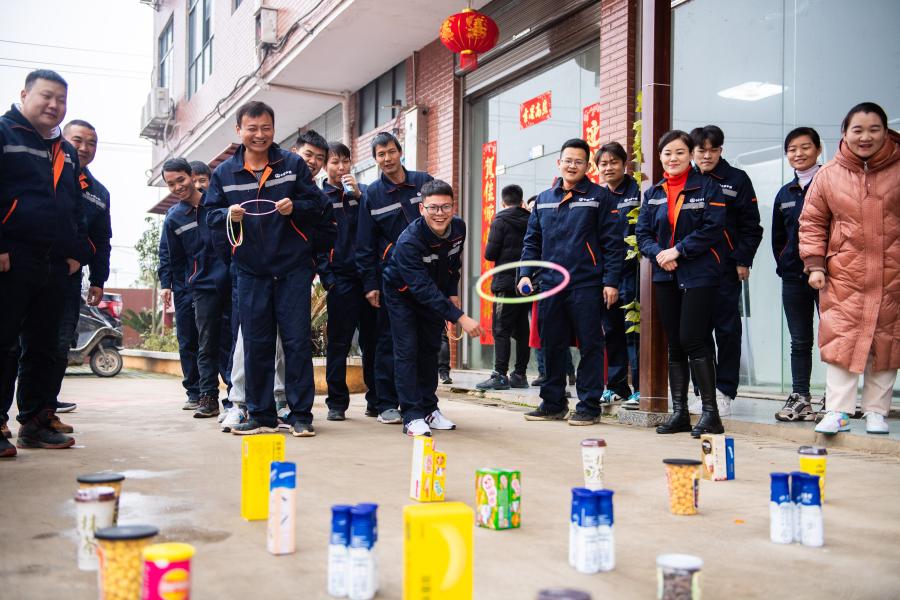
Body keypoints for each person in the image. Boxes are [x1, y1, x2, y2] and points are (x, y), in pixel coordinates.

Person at [206, 101, 333, 437]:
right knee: (257, 342)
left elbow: (318, 207)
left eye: (265, 128)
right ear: (239, 130)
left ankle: (301, 414)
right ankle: (261, 414)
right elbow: (210, 216)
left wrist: (296, 207)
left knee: (296, 342)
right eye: (252, 128)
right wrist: (227, 215)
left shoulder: (291, 164)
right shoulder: (224, 173)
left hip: (292, 268)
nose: (259, 134)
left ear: (274, 129)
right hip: (250, 270)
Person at [0, 69, 89, 456]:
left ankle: (35, 421)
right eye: (46, 97)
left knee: (43, 346)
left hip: (54, 265)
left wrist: (75, 253)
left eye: (61, 101)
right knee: (3, 344)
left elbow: (73, 206)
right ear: (25, 95)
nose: (54, 106)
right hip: (11, 258)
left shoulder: (64, 151)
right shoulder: (5, 134)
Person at [801, 102, 899, 436]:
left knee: (886, 344)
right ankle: (838, 410)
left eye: (874, 129)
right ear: (844, 133)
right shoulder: (828, 174)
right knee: (842, 341)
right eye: (857, 130)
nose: (866, 136)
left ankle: (876, 411)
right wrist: (814, 264)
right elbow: (812, 221)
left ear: (886, 132)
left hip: (892, 273)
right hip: (845, 273)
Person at [518, 138, 624, 426]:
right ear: (559, 163)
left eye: (579, 161)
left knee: (590, 344)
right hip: (550, 285)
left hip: (586, 284)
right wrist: (525, 273)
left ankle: (589, 405)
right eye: (568, 160)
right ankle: (552, 403)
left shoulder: (600, 198)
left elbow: (613, 244)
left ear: (587, 165)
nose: (572, 165)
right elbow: (532, 242)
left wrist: (611, 281)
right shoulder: (543, 199)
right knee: (551, 344)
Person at [635, 130, 726, 437]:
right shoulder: (654, 193)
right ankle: (680, 413)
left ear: (690, 155)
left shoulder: (708, 188)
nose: (673, 158)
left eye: (679, 153)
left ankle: (711, 413)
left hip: (699, 273)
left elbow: (713, 229)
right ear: (660, 157)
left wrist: (679, 250)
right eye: (667, 153)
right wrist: (660, 254)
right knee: (674, 343)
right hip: (665, 274)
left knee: (694, 338)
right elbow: (642, 235)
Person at [382, 179, 482, 436]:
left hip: (434, 293)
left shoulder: (459, 227)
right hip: (402, 294)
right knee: (407, 350)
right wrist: (460, 317)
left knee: (430, 349)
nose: (440, 214)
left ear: (453, 207)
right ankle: (412, 415)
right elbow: (422, 288)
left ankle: (429, 408)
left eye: (445, 207)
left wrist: (452, 292)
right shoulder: (409, 242)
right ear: (422, 209)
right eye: (433, 208)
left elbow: (452, 264)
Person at [356, 131, 433, 425]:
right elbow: (365, 243)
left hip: (427, 276)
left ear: (400, 151)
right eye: (380, 154)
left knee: (426, 342)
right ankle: (386, 402)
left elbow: (440, 219)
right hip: (393, 278)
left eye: (390, 151)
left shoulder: (424, 182)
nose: (387, 158)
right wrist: (370, 284)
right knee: (389, 342)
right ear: (375, 160)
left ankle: (425, 403)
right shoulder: (372, 194)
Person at [688, 125, 763, 417]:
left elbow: (751, 226)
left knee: (728, 330)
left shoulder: (736, 179)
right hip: (692, 269)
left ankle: (725, 391)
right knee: (697, 332)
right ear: (693, 152)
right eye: (701, 150)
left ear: (721, 150)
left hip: (726, 267)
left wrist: (743, 260)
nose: (707, 155)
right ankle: (702, 391)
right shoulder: (687, 179)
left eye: (713, 149)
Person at [159, 159, 231, 419]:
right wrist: (172, 285)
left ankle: (236, 396)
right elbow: (173, 257)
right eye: (171, 184)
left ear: (192, 176)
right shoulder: (174, 218)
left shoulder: (217, 203)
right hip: (200, 286)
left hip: (231, 281)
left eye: (181, 180)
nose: (178, 187)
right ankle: (207, 397)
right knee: (205, 343)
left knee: (233, 341)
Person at [317, 140, 378, 421]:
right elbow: (315, 244)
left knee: (372, 342)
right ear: (325, 166)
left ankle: (376, 399)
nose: (341, 167)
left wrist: (359, 197)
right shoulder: (320, 198)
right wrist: (328, 278)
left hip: (368, 279)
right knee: (339, 344)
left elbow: (373, 230)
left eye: (345, 161)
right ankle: (336, 403)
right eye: (334, 162)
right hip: (340, 279)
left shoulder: (362, 194)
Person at [772, 127, 824, 422]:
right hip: (793, 277)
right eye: (792, 149)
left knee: (833, 337)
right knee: (800, 340)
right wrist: (785, 263)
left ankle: (836, 398)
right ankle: (801, 397)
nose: (799, 154)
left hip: (830, 276)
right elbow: (778, 238)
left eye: (805, 147)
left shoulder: (830, 183)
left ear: (818, 150)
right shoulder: (785, 193)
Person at [597, 142, 641, 407]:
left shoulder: (638, 191)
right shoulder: (599, 197)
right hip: (607, 275)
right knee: (611, 330)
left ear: (625, 164)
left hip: (634, 273)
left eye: (614, 162)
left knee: (632, 332)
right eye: (603, 163)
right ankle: (615, 386)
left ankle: (640, 387)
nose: (609, 167)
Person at [477, 184, 531, 390]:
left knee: (501, 329)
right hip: (525, 283)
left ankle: (500, 375)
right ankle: (520, 374)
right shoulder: (529, 219)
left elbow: (490, 253)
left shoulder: (500, 219)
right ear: (521, 201)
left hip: (505, 283)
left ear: (503, 202)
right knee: (522, 329)